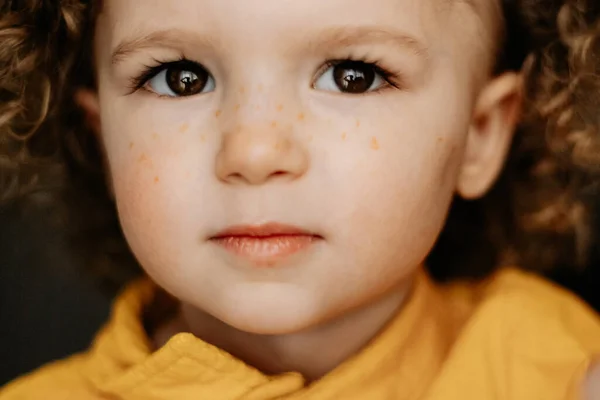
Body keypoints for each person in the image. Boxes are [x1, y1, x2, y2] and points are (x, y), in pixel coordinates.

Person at [0, 0, 599, 399]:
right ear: (104, 140)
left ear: (480, 135)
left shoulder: (555, 366)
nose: (255, 152)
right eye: (180, 77)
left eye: (351, 75)